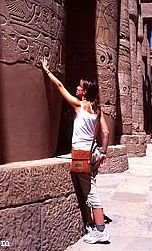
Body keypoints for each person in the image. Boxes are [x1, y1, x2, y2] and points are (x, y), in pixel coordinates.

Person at [41, 57, 110, 244]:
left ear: (85, 92)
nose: (77, 88)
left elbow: (60, 88)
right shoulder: (97, 109)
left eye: (80, 87)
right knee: (89, 186)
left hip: (82, 155)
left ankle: (100, 230)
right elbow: (105, 131)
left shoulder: (80, 106)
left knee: (90, 191)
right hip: (94, 152)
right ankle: (90, 224)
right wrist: (103, 152)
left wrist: (47, 71)